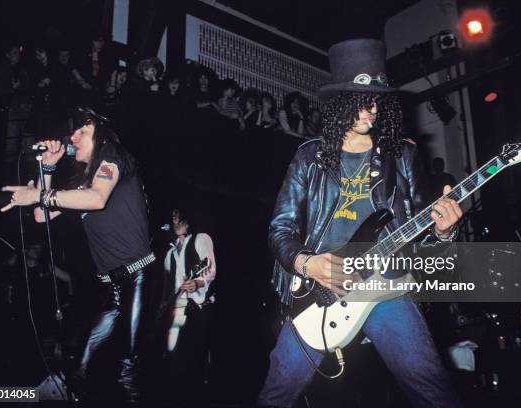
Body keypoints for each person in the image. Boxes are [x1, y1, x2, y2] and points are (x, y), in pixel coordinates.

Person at [258, 39, 464, 408]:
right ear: (340, 103)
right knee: (278, 392)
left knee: (433, 391)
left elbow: (423, 247)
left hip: (385, 288)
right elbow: (280, 229)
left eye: (378, 101)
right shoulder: (308, 157)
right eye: (362, 101)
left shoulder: (403, 155)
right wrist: (309, 263)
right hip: (319, 291)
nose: (373, 110)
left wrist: (444, 231)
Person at [0, 106, 154, 403]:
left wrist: (41, 195)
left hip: (138, 275)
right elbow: (41, 216)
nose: (72, 137)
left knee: (128, 368)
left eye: (81, 130)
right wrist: (47, 169)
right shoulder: (80, 181)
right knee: (79, 365)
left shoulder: (111, 155)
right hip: (113, 284)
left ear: (100, 132)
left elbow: (97, 199)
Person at [160, 209, 216, 406]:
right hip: (175, 311)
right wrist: (163, 306)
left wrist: (198, 283)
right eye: (172, 216)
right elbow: (167, 288)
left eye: (177, 215)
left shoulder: (201, 239)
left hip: (197, 308)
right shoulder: (169, 253)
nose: (174, 220)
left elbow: (210, 269)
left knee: (195, 360)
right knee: (174, 359)